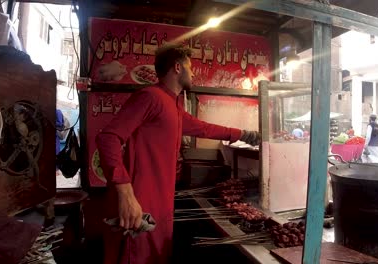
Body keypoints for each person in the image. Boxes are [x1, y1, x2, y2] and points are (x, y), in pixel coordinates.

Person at [95, 45, 261, 264]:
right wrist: (125, 193)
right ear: (177, 67)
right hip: (140, 203)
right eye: (190, 68)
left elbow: (203, 128)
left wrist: (245, 134)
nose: (192, 73)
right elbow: (108, 138)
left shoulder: (173, 106)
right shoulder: (150, 97)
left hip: (161, 203)